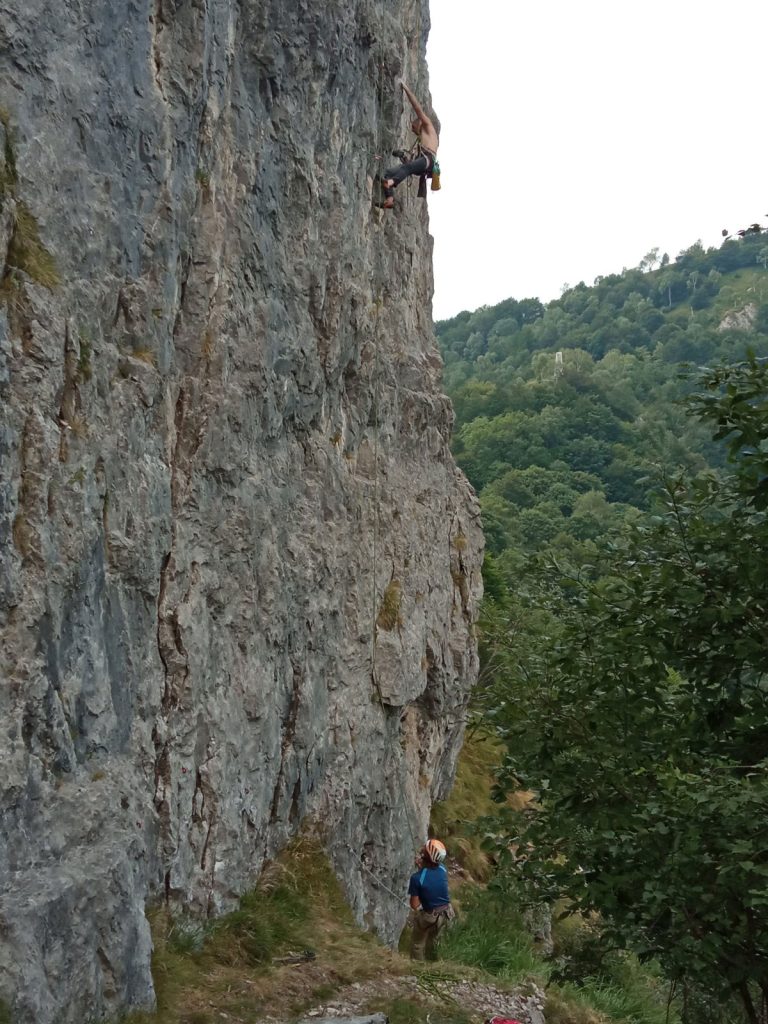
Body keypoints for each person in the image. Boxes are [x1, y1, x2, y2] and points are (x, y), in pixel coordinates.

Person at [381, 82, 439, 209]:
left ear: (419, 123)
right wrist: (402, 156)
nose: (413, 130)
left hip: (428, 160)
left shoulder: (427, 126)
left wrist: (406, 88)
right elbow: (410, 165)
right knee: (387, 173)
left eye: (413, 127)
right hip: (423, 164)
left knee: (404, 170)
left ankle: (390, 183)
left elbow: (417, 107)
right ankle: (389, 199)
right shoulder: (421, 141)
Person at [407, 837, 454, 960]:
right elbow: (432, 875)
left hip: (429, 916)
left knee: (417, 944)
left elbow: (414, 905)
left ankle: (417, 969)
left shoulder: (416, 878)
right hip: (447, 913)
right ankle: (435, 966)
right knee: (435, 944)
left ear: (425, 856)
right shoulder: (443, 869)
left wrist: (419, 875)